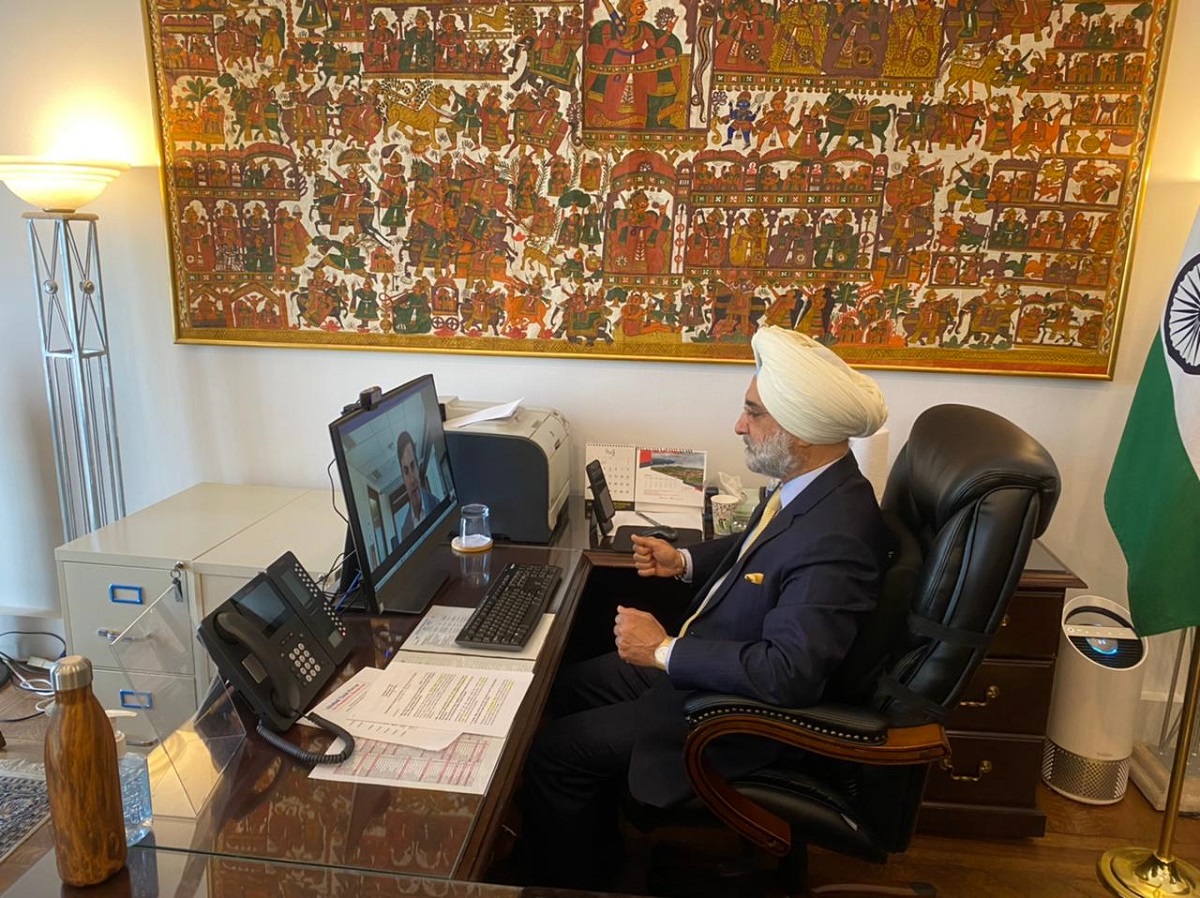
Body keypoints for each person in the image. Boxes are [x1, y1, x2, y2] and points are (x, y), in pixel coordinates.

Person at [510, 326, 890, 890]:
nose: (739, 425)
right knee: (561, 689)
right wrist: (683, 560)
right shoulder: (815, 485)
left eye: (753, 413)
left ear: (801, 429)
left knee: (553, 753)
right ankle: (590, 843)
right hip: (707, 665)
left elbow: (788, 673)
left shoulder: (837, 537)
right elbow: (759, 549)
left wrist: (664, 650)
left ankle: (570, 879)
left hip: (731, 714)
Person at [397, 430, 438, 539]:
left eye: (412, 466)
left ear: (418, 467)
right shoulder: (405, 531)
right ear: (403, 479)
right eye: (406, 471)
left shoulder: (435, 504)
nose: (412, 479)